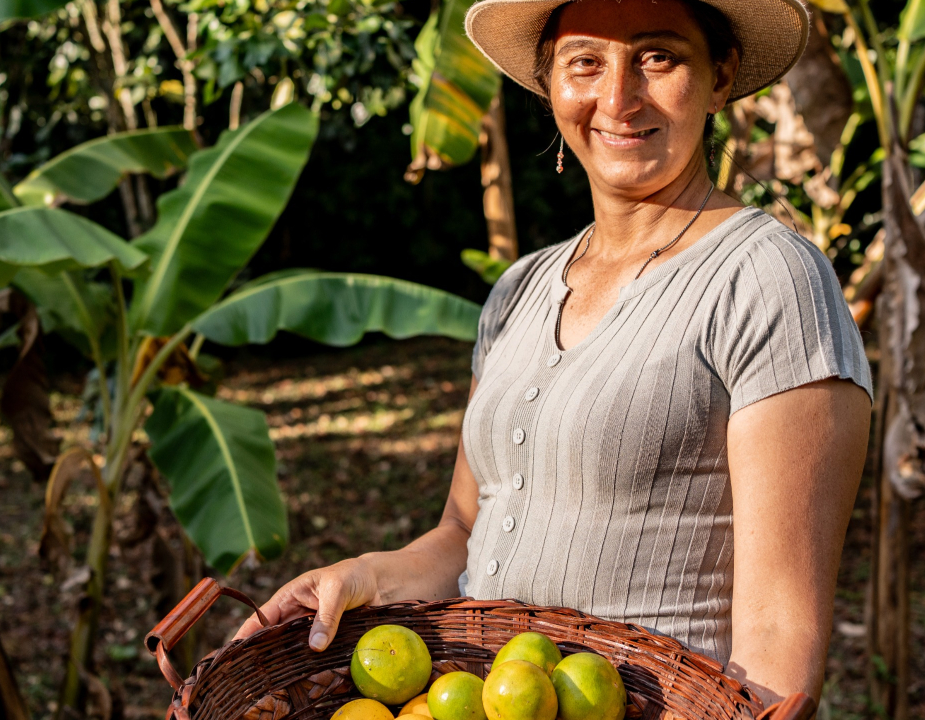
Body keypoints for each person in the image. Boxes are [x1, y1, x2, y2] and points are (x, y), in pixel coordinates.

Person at [235, 0, 872, 708]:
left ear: (720, 79)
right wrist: (363, 576)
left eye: (658, 57)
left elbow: (780, 639)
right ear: (550, 85)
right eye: (585, 62)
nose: (619, 97)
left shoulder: (768, 280)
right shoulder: (521, 289)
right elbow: (465, 533)